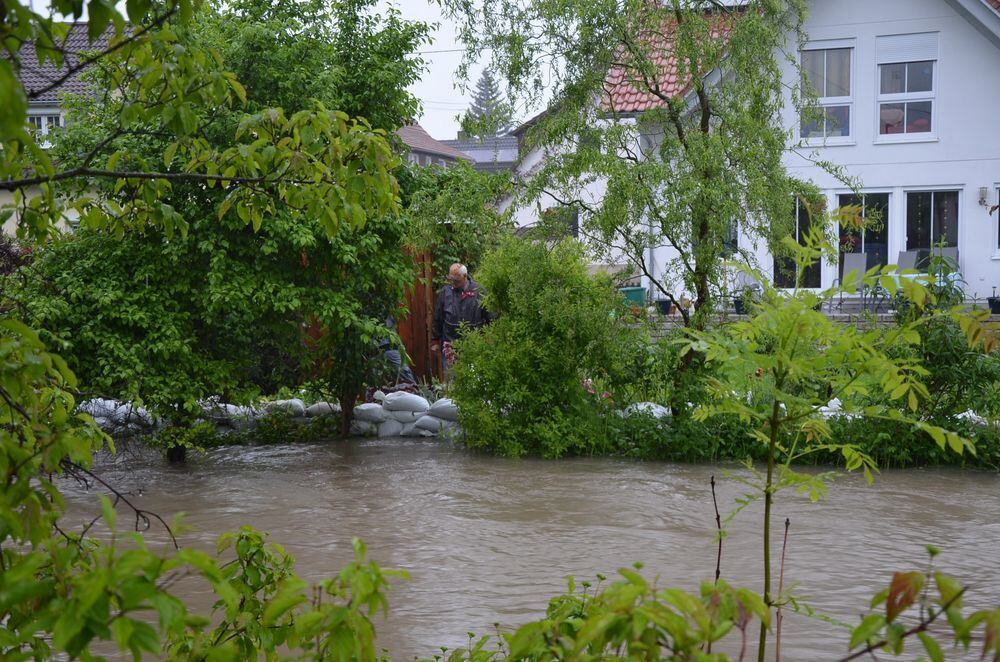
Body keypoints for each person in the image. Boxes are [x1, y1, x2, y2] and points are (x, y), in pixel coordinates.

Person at [431, 263, 493, 379]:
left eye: (456, 280)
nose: (453, 283)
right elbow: (438, 317)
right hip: (450, 344)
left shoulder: (479, 291)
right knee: (452, 380)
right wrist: (435, 340)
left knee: (473, 380)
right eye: (451, 280)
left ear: (465, 276)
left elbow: (491, 316)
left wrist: (491, 338)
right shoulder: (446, 292)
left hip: (474, 345)